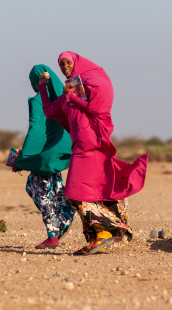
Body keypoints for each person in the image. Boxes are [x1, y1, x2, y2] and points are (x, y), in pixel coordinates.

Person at [37, 51, 148, 255]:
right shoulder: (70, 90)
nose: (64, 67)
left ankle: (108, 231)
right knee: (86, 193)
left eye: (67, 62)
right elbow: (50, 112)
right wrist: (43, 88)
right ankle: (97, 237)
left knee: (74, 193)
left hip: (93, 145)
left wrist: (74, 98)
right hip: (80, 146)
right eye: (61, 64)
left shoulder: (92, 81)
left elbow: (99, 110)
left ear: (76, 62)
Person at [12, 65, 75, 249]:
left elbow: (36, 130)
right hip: (57, 152)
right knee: (55, 188)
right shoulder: (62, 97)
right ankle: (63, 220)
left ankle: (53, 233)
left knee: (38, 190)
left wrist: (24, 158)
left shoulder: (37, 101)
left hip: (42, 155)